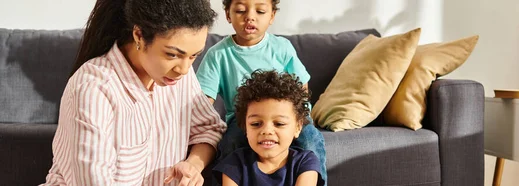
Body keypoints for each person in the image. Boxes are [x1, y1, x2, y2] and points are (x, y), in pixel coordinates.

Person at [42, 0, 226, 185]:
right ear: (139, 35)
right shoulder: (94, 88)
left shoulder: (179, 77)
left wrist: (192, 165)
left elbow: (209, 128)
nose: (184, 69)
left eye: (194, 55)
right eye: (172, 55)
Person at [195, 0, 327, 183]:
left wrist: (301, 117)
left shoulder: (282, 47)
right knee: (231, 142)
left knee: (310, 139)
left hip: (286, 116)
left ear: (272, 15)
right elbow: (203, 99)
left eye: (260, 11)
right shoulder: (217, 54)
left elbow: (301, 87)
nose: (250, 16)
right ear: (227, 14)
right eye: (240, 10)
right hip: (244, 120)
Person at [213, 70, 325, 186]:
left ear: (297, 128)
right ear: (245, 127)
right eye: (256, 124)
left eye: (279, 124)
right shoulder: (233, 164)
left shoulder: (306, 162)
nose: (266, 131)